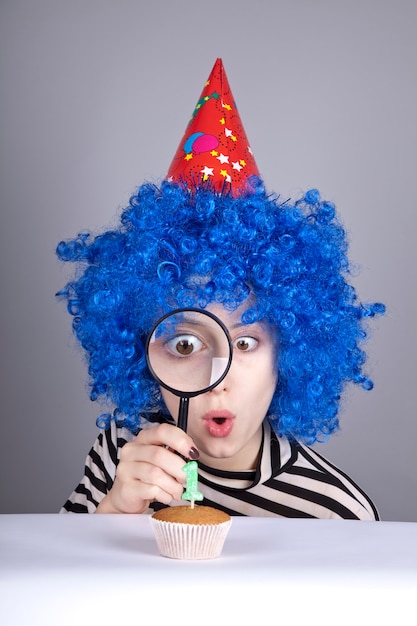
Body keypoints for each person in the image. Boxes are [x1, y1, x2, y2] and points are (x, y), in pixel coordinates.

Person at [57, 59, 384, 519]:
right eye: (185, 343)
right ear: (140, 352)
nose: (219, 381)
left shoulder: (336, 513)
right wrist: (113, 512)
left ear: (289, 356)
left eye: (246, 342)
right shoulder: (121, 454)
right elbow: (59, 579)